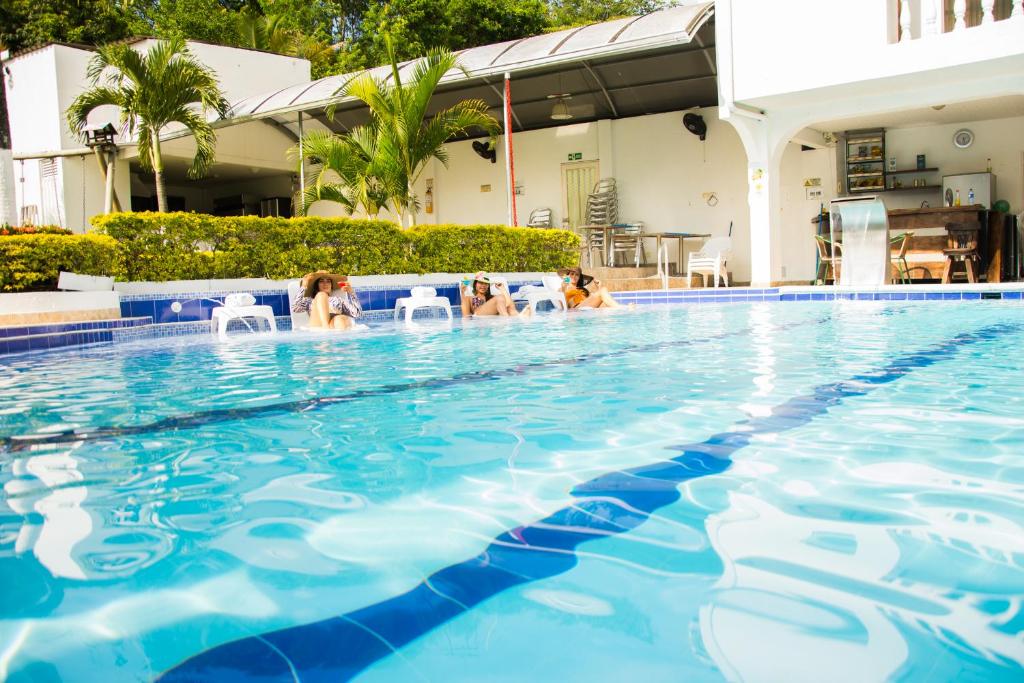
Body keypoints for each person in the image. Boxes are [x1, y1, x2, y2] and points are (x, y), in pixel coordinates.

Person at [292, 271, 363, 330]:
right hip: (318, 325)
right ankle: (326, 330)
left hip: (334, 324)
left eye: (328, 281)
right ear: (316, 286)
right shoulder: (310, 300)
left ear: (331, 286)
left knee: (340, 318)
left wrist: (351, 293)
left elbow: (357, 314)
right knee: (322, 295)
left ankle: (341, 344)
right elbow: (295, 308)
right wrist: (304, 286)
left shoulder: (338, 300)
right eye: (321, 281)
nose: (325, 284)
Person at [460, 271, 527, 317]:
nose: (483, 286)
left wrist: (502, 289)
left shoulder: (492, 298)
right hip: (478, 317)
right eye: (480, 283)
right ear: (475, 284)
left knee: (510, 308)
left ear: (488, 286)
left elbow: (510, 305)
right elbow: (465, 316)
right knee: (500, 297)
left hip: (491, 320)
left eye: (486, 283)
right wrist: (463, 292)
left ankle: (519, 319)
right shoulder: (469, 298)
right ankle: (507, 321)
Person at [558, 266, 623, 309]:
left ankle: (621, 308)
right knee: (603, 290)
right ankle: (621, 308)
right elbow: (563, 308)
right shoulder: (563, 288)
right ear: (567, 276)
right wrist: (563, 288)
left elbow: (596, 300)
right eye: (572, 274)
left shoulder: (583, 290)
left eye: (577, 275)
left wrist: (599, 287)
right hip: (576, 310)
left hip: (586, 308)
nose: (574, 276)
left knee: (604, 300)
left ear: (579, 277)